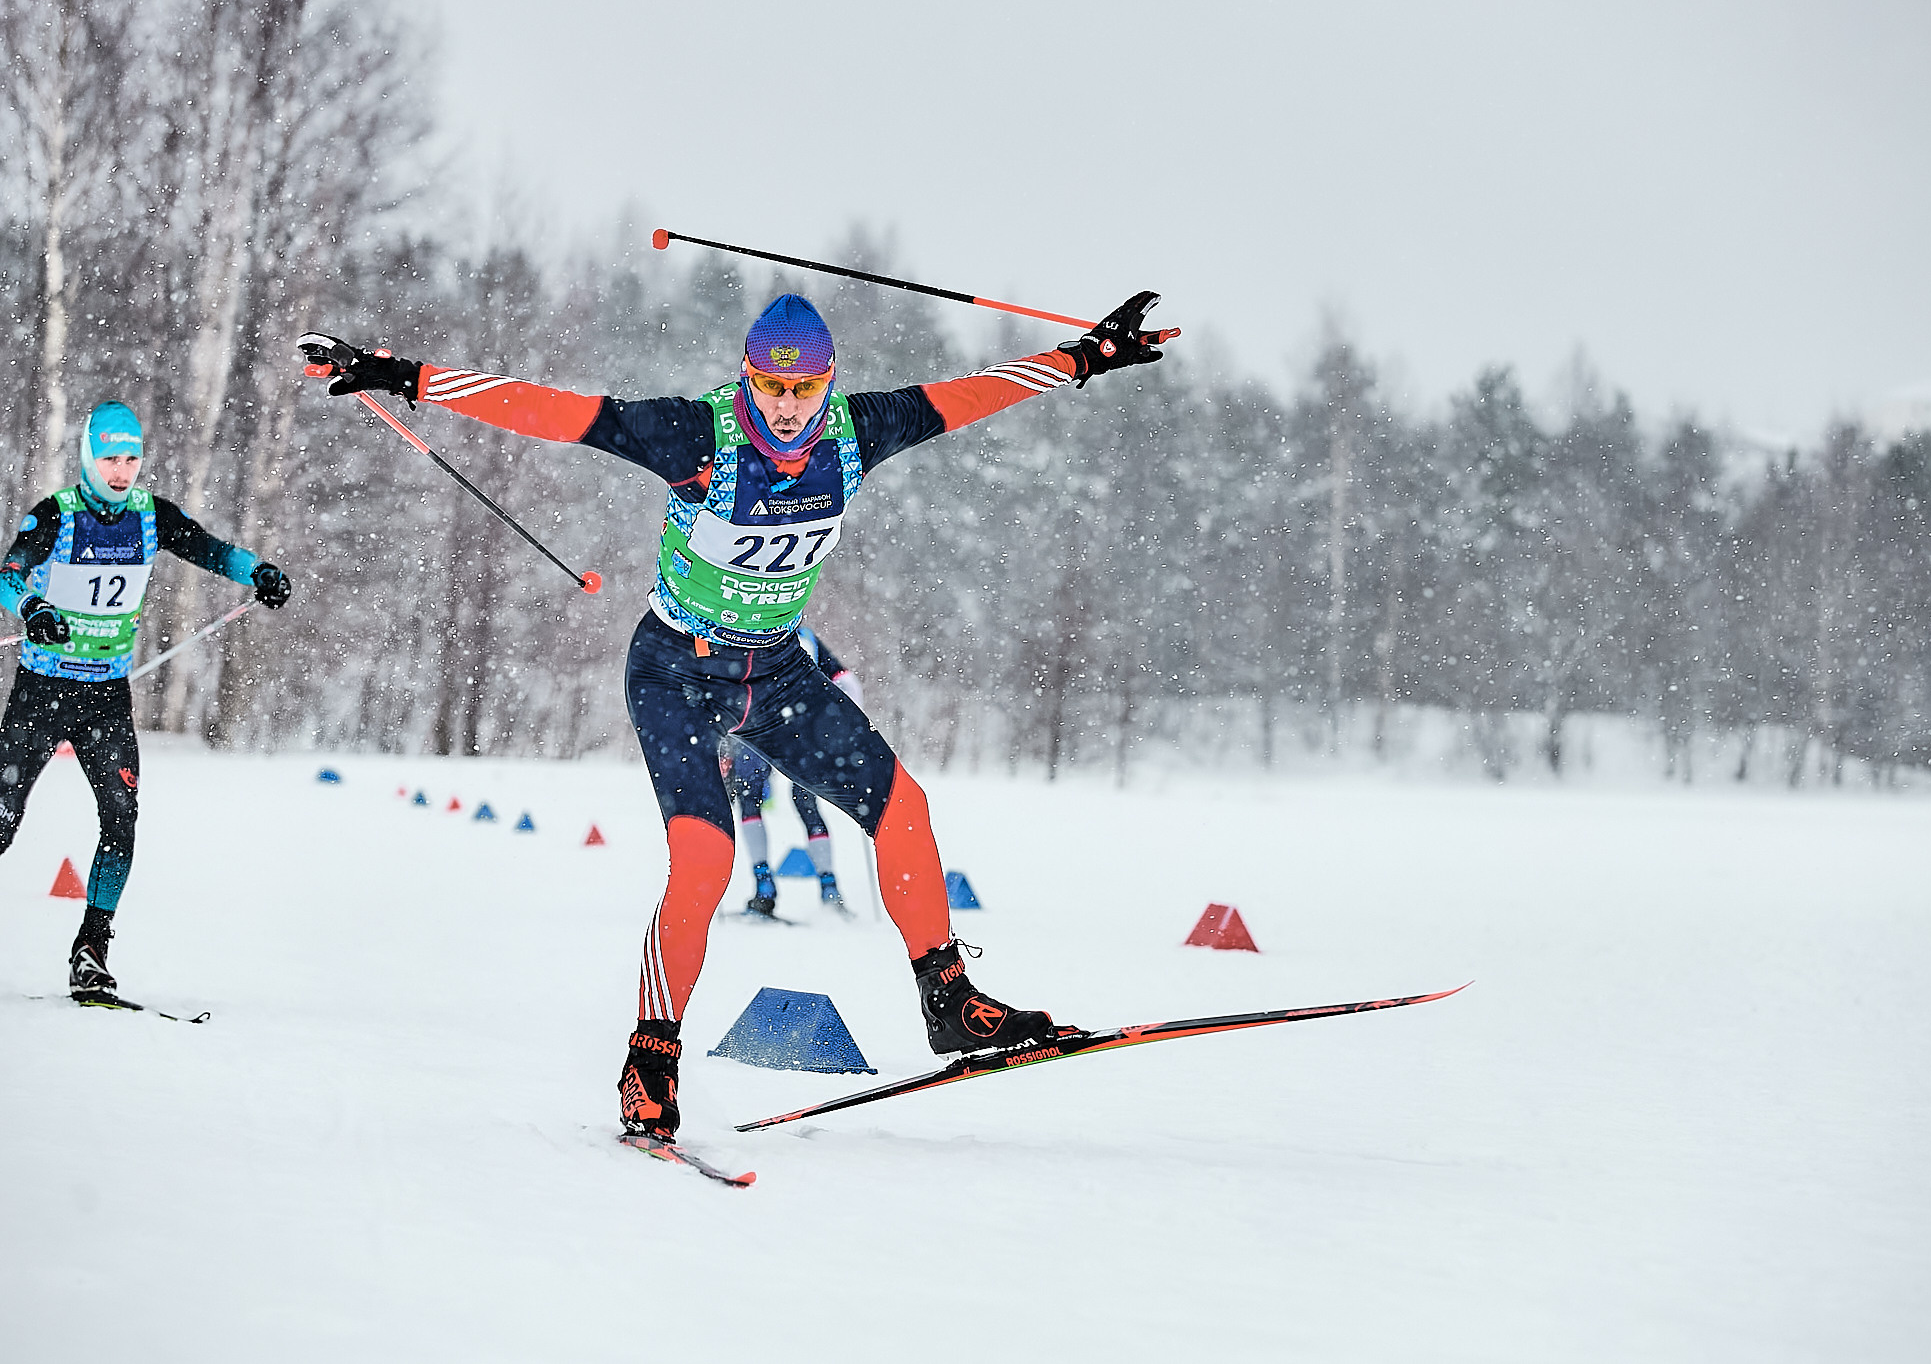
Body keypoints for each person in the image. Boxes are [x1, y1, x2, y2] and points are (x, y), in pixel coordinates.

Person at [298, 288, 1175, 1141]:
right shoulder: (694, 435)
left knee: (903, 808)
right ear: (746, 376)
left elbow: (970, 394)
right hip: (677, 672)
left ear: (827, 383)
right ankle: (652, 1058)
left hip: (781, 671)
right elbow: (554, 411)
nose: (788, 408)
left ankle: (951, 1003)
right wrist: (403, 374)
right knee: (706, 858)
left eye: (804, 389)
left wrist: (1084, 358)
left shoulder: (854, 432)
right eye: (771, 386)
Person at [0, 401, 291, 1003]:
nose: (121, 470)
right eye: (109, 457)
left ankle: (91, 952)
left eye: (131, 457)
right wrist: (34, 608)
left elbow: (210, 549)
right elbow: (9, 574)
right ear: (88, 455)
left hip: (105, 697)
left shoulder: (150, 516)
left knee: (121, 822)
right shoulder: (57, 515)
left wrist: (257, 570)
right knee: (2, 824)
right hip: (43, 692)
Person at [724, 626, 861, 922]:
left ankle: (765, 891)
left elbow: (726, 682)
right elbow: (847, 682)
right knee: (806, 803)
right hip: (804, 730)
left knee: (750, 799)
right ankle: (829, 890)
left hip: (757, 728)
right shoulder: (806, 636)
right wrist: (847, 724)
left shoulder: (749, 633)